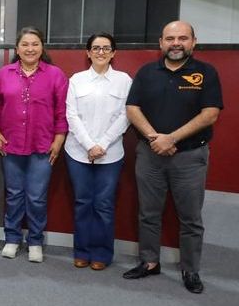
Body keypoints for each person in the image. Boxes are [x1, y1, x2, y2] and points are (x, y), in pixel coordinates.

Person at [122, 21, 223, 294]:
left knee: (190, 217)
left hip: (189, 157)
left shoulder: (205, 73)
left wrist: (171, 138)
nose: (175, 43)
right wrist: (156, 138)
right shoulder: (147, 73)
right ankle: (149, 261)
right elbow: (132, 108)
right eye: (170, 38)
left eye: (182, 38)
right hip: (150, 155)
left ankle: (190, 269)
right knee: (148, 212)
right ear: (161, 43)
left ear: (193, 42)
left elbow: (210, 114)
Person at [0, 27, 68, 263]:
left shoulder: (55, 75)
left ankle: (35, 241)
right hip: (11, 143)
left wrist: (59, 139)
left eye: (35, 44)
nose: (30, 49)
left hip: (43, 145)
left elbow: (62, 111)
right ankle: (12, 239)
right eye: (25, 44)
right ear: (17, 49)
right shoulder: (4, 73)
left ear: (42, 47)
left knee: (36, 197)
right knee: (14, 195)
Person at [63, 33, 132, 271]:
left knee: (103, 204)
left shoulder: (124, 81)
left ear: (113, 52)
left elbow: (126, 116)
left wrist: (101, 144)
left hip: (110, 154)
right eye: (96, 48)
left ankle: (102, 253)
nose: (100, 52)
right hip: (77, 152)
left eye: (106, 48)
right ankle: (81, 251)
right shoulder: (76, 80)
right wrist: (89, 145)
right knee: (82, 202)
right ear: (88, 52)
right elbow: (71, 115)